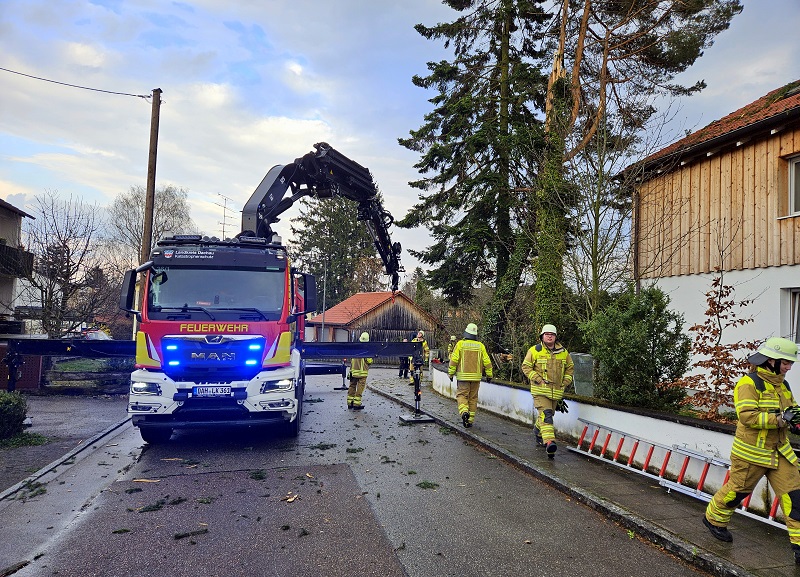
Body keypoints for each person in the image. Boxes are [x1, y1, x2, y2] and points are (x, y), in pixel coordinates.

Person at [702, 337, 800, 563]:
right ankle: (713, 519)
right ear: (771, 360)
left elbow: (792, 409)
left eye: (790, 363)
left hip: (780, 452)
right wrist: (781, 419)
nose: (789, 367)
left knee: (795, 498)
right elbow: (747, 417)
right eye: (786, 362)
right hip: (751, 454)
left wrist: (796, 420)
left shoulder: (783, 385)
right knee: (737, 492)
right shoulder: (748, 384)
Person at [521, 324, 574, 459]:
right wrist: (538, 379)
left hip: (556, 393)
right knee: (547, 415)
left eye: (552, 334)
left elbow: (570, 368)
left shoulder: (564, 352)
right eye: (547, 334)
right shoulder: (534, 350)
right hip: (540, 391)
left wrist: (565, 382)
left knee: (547, 416)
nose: (549, 336)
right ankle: (550, 443)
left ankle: (538, 432)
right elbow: (526, 367)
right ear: (542, 336)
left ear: (555, 337)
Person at [448, 323, 493, 428]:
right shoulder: (480, 346)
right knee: (473, 398)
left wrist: (451, 373)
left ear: (466, 333)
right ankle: (470, 421)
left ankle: (464, 412)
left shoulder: (460, 344)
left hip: (463, 377)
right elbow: (487, 362)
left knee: (462, 395)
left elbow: (454, 360)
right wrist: (489, 375)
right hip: (476, 378)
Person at [347, 331, 373, 411]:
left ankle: (350, 403)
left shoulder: (355, 347)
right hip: (362, 372)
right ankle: (356, 404)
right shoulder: (366, 349)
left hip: (353, 371)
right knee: (360, 388)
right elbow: (369, 361)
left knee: (352, 386)